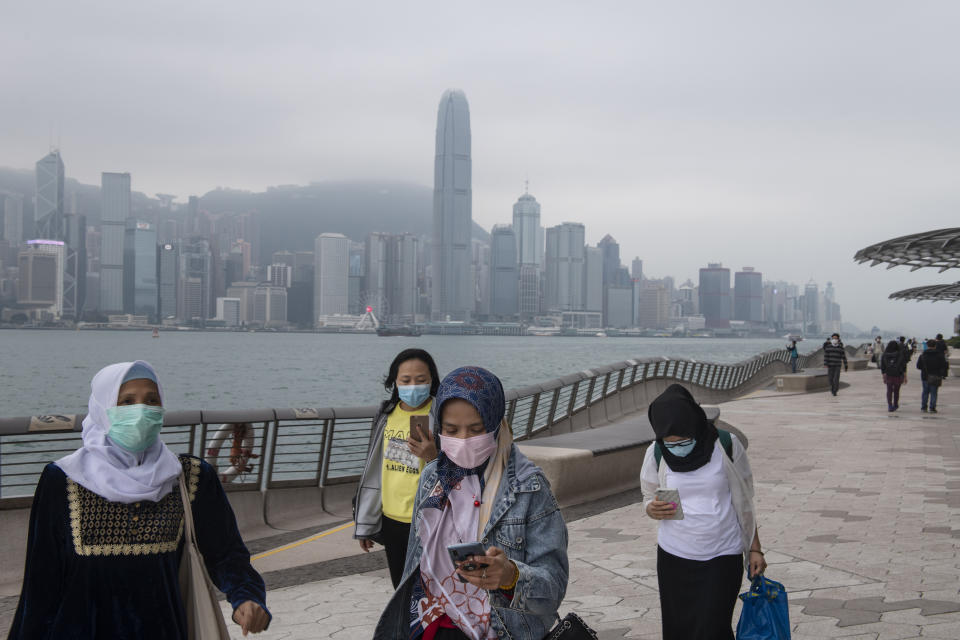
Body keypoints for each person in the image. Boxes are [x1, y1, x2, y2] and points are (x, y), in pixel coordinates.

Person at [8, 360, 271, 639]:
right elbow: (42, 584)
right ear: (102, 409)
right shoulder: (62, 479)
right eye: (126, 401)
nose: (141, 410)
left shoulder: (190, 477)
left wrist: (246, 597)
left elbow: (226, 553)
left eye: (151, 400)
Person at [374, 366, 569, 640]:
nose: (463, 440)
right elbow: (415, 564)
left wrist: (510, 576)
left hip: (499, 631)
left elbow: (554, 588)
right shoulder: (432, 477)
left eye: (476, 429)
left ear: (495, 423)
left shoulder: (529, 487)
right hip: (429, 625)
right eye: (451, 430)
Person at [640, 384, 765, 640]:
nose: (676, 446)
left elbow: (745, 502)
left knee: (713, 629)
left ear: (694, 423)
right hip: (674, 556)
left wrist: (755, 548)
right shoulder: (655, 452)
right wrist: (652, 508)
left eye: (683, 440)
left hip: (723, 554)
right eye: (669, 442)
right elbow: (648, 495)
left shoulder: (727, 446)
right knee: (679, 630)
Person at [355, 348, 441, 588]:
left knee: (430, 591)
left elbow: (459, 468)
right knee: (401, 589)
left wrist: (433, 455)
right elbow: (373, 471)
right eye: (406, 380)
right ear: (394, 382)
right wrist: (366, 524)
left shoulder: (442, 414)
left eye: (421, 380)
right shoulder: (386, 414)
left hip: (429, 518)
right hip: (392, 519)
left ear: (432, 380)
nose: (413, 386)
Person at [917, 340, 948, 413]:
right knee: (934, 392)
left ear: (927, 345)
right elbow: (944, 366)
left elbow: (918, 366)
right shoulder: (940, 355)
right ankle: (932, 408)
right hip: (936, 376)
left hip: (925, 376)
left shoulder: (923, 355)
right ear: (935, 346)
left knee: (925, 392)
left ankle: (924, 407)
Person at [880, 340, 906, 412]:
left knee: (889, 390)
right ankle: (895, 404)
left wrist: (883, 374)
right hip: (898, 374)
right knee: (896, 390)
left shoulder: (884, 355)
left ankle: (889, 405)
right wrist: (905, 376)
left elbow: (882, 366)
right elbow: (903, 366)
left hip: (888, 374)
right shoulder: (900, 355)